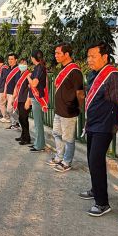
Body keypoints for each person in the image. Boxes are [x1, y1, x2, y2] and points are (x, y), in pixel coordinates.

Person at [78, 42, 118, 217]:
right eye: (88, 56)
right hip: (93, 123)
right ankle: (95, 189)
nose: (89, 60)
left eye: (93, 56)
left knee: (96, 160)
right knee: (91, 160)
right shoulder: (93, 75)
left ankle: (102, 203)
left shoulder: (113, 76)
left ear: (104, 57)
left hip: (105, 125)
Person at [49, 43, 85, 172]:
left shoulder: (75, 71)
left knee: (68, 138)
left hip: (69, 110)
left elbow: (80, 93)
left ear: (67, 54)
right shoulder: (63, 69)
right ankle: (59, 157)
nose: (56, 56)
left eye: (58, 53)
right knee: (57, 134)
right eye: (55, 53)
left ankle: (67, 161)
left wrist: (78, 108)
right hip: (59, 110)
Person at [25, 51, 48, 152]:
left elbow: (34, 84)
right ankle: (38, 143)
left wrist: (28, 77)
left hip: (38, 98)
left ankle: (39, 145)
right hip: (36, 97)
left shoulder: (39, 68)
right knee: (37, 123)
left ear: (33, 58)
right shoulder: (39, 67)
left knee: (38, 123)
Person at [12, 58, 32, 145]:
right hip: (20, 99)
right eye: (21, 63)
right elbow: (17, 87)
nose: (22, 65)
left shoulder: (29, 74)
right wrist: (14, 97)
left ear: (27, 65)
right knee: (21, 118)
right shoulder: (20, 74)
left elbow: (31, 88)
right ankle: (23, 135)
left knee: (24, 119)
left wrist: (29, 100)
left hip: (25, 100)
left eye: (24, 63)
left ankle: (27, 138)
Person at [2, 54, 20, 128]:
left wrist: (14, 94)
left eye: (12, 59)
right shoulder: (8, 69)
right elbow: (6, 82)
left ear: (16, 60)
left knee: (10, 109)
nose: (10, 61)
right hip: (8, 92)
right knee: (11, 109)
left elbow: (17, 83)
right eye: (9, 59)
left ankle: (17, 121)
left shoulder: (18, 70)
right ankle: (14, 124)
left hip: (14, 93)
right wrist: (5, 92)